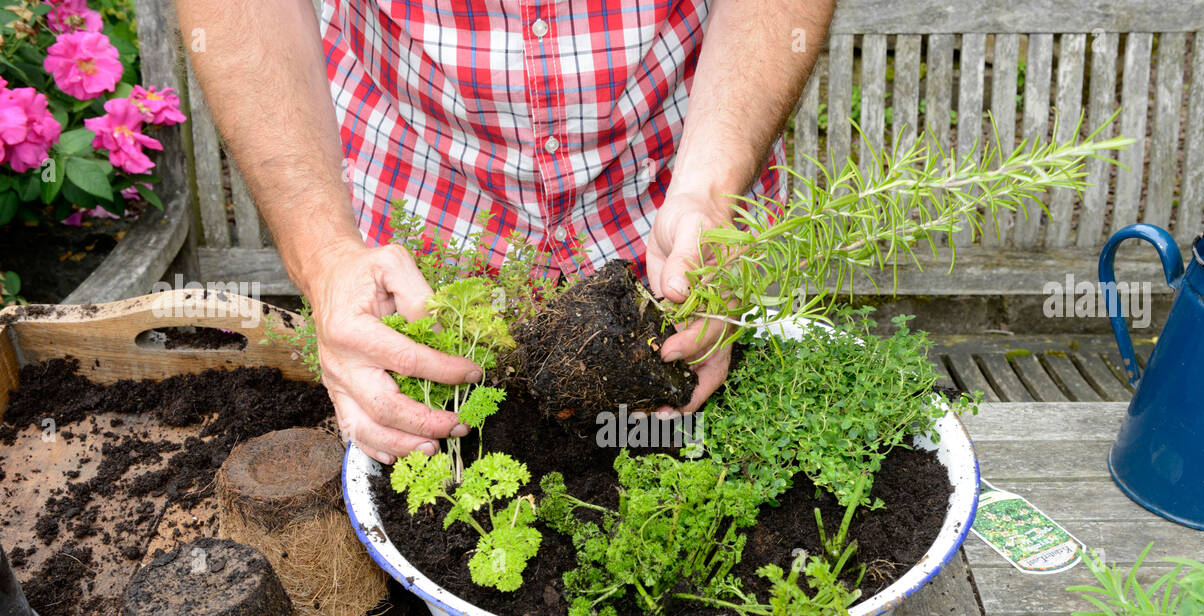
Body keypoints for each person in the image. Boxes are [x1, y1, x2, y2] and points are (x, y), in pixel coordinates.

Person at [177, 1, 832, 463]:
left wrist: (708, 197)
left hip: (670, 222)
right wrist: (326, 254)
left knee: (692, 445)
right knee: (442, 463)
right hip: (420, 272)